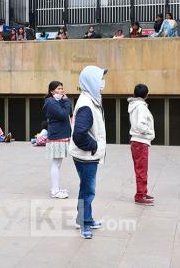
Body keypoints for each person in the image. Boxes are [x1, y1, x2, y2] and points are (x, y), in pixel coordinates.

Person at [69, 65, 108, 239]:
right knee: (88, 190)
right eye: (100, 79)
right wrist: (93, 146)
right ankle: (84, 223)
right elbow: (79, 133)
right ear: (91, 81)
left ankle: (86, 218)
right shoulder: (86, 104)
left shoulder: (91, 99)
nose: (103, 82)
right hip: (86, 156)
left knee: (87, 188)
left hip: (86, 155)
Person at [43, 80, 72, 199]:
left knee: (58, 163)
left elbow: (69, 112)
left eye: (62, 88)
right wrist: (67, 101)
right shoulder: (51, 102)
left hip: (61, 134)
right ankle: (55, 190)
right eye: (59, 89)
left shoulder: (58, 101)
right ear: (52, 91)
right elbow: (63, 114)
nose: (62, 91)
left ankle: (56, 187)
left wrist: (65, 102)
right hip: (57, 135)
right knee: (56, 163)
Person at [128, 84, 155, 206]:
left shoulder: (134, 105)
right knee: (142, 170)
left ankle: (143, 192)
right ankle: (140, 195)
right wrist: (150, 132)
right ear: (146, 95)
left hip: (136, 141)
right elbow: (140, 125)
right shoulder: (141, 107)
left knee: (141, 169)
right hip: (140, 141)